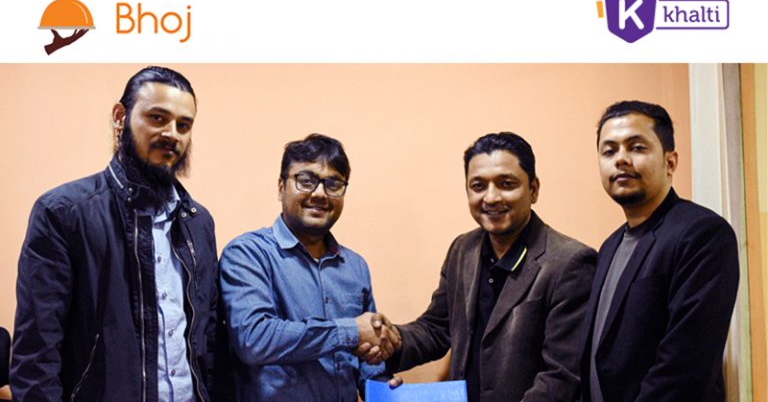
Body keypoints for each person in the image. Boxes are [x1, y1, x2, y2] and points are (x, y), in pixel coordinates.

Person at [11, 66, 223, 401]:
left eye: (184, 125)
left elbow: (206, 340)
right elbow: (37, 354)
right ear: (120, 117)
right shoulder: (63, 213)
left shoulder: (198, 222)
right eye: (157, 118)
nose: (172, 134)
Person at [382, 132, 596, 402]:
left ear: (534, 189)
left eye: (506, 184)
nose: (491, 197)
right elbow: (437, 328)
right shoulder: (462, 249)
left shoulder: (571, 262)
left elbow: (561, 376)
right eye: (478, 186)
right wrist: (392, 339)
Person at [579, 100, 739, 402]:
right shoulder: (609, 246)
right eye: (609, 151)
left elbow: (685, 367)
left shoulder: (702, 233)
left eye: (637, 147)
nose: (621, 159)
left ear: (670, 162)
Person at [219, 133, 398, 402]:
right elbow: (254, 339)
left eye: (333, 184)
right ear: (281, 187)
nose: (320, 194)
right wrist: (350, 331)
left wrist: (381, 384)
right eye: (306, 181)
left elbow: (367, 360)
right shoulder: (247, 254)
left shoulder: (355, 266)